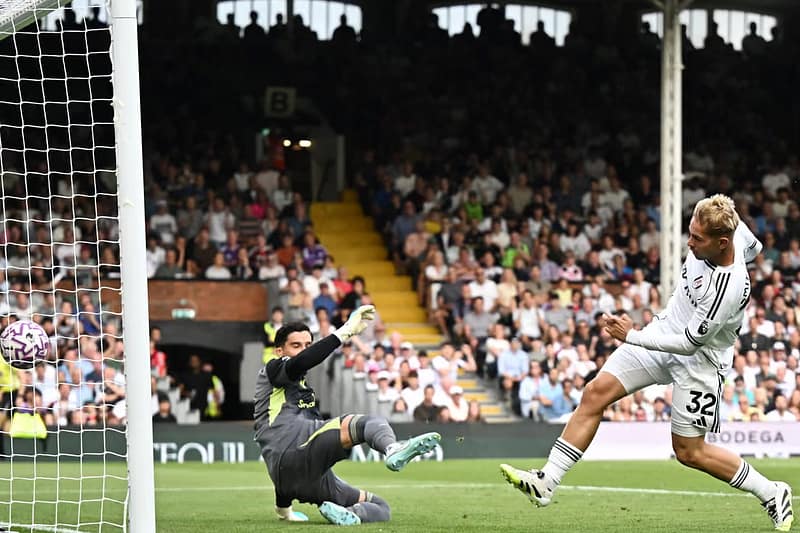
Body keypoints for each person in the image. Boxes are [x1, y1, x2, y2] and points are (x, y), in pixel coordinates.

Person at [500, 195, 794, 531]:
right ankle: (546, 482)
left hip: (699, 361)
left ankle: (771, 491)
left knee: (689, 452)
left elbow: (688, 344)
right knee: (595, 393)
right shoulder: (733, 230)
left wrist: (632, 335)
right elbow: (752, 247)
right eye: (690, 232)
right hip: (662, 332)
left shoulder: (727, 287)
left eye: (697, 238)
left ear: (722, 242)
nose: (690, 242)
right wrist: (641, 335)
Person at [253, 305, 441, 525]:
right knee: (369, 423)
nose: (303, 350)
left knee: (381, 507)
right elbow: (303, 361)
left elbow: (281, 466)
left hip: (296, 477)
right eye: (296, 346)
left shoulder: (295, 389)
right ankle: (392, 448)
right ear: (279, 351)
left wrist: (284, 511)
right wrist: (345, 332)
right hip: (296, 445)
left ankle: (351, 514)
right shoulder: (274, 368)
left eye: (307, 345)